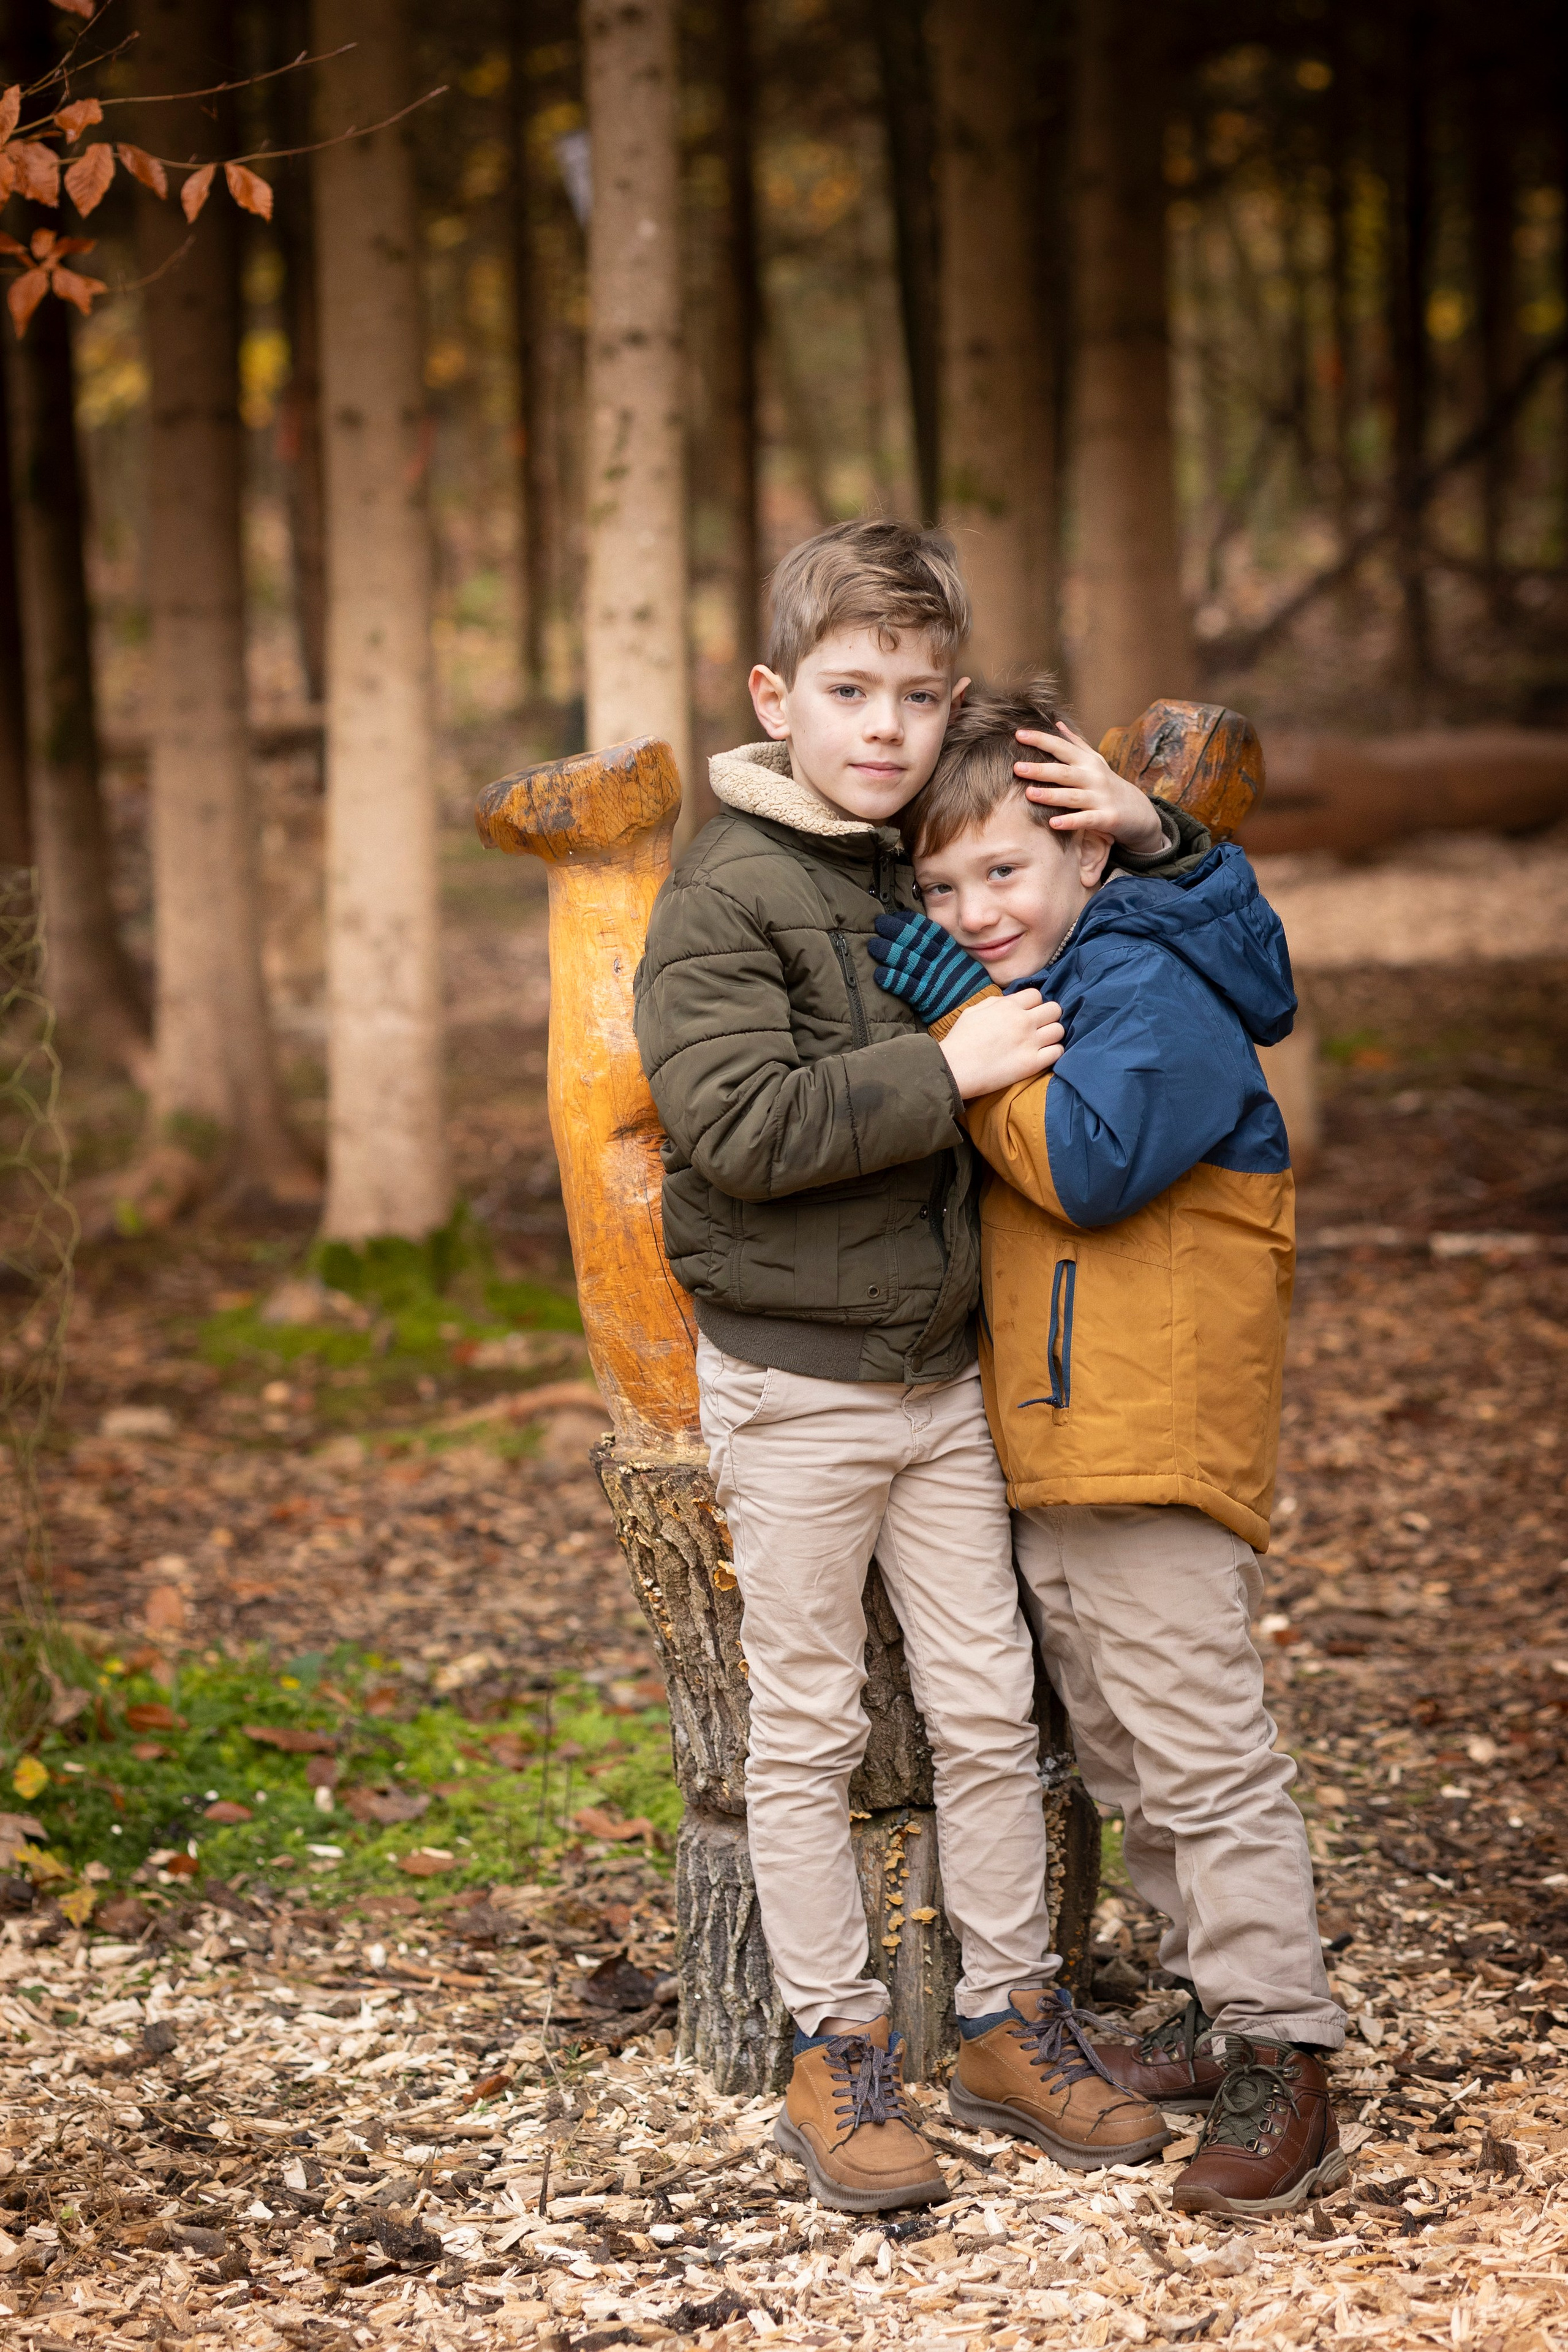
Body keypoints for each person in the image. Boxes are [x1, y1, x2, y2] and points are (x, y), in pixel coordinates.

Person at [633, 521, 1202, 2211]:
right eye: (849, 691)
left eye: (916, 693)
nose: (884, 726)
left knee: (987, 1707)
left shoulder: (924, 858)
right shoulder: (726, 891)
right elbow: (735, 1128)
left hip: (942, 1377)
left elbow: (1109, 931)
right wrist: (947, 1069)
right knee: (806, 1727)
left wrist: (1154, 839)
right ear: (774, 697)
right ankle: (837, 2043)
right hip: (796, 1383)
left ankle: (1010, 2018)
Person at [869, 678, 1349, 2219]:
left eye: (1003, 870)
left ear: (1087, 853)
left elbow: (1086, 1166)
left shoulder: (1150, 981)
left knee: (1202, 1758)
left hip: (1152, 1437)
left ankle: (1284, 2048)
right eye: (940, 889)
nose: (975, 912)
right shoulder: (1072, 976)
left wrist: (959, 1035)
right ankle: (1213, 2007)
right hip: (1066, 1444)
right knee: (1133, 1760)